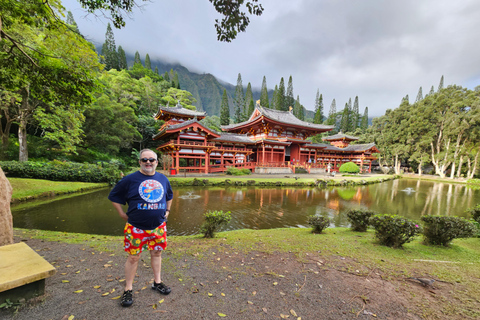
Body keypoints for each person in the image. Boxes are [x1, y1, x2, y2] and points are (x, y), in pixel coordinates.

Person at [108, 149, 173, 307]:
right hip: (136, 227)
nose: (148, 162)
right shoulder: (130, 179)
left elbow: (169, 196)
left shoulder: (163, 178)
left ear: (157, 162)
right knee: (133, 258)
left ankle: (157, 282)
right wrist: (122, 213)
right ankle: (128, 289)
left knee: (157, 253)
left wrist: (168, 211)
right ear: (140, 162)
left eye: (152, 159)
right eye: (145, 160)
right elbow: (114, 196)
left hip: (158, 226)